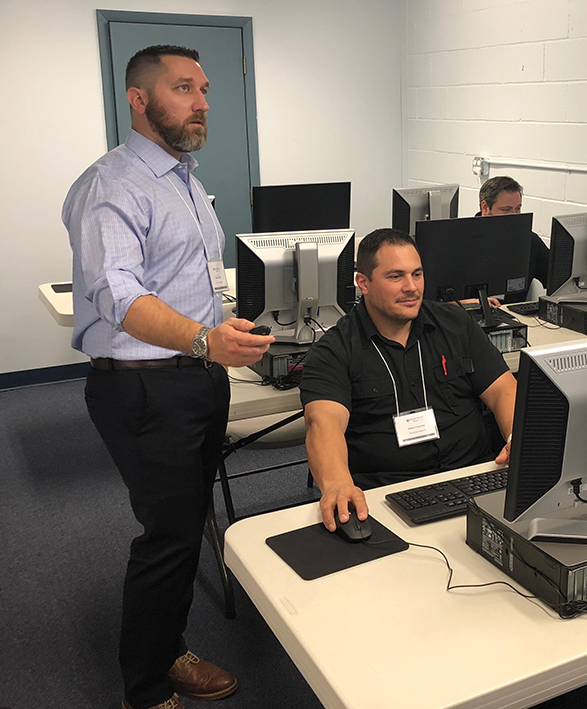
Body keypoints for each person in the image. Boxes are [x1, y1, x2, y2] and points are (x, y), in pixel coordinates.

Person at [62, 45, 274, 709]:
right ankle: (147, 687)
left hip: (194, 376)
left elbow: (191, 280)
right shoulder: (114, 185)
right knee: (169, 538)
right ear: (139, 99)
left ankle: (168, 646)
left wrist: (215, 335)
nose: (202, 101)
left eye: (204, 88)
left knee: (184, 527)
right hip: (145, 387)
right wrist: (204, 338)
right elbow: (118, 296)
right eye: (183, 88)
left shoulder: (183, 179)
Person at [299, 228, 518, 530]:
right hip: (388, 496)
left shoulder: (454, 324)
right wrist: (337, 483)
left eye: (417, 274)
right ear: (363, 282)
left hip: (475, 478)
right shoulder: (335, 350)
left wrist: (515, 437)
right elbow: (323, 422)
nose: (411, 287)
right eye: (396, 276)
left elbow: (503, 388)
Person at [477, 175, 549, 301]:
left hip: (512, 316)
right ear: (485, 208)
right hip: (467, 316)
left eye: (518, 209)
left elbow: (556, 279)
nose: (514, 216)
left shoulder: (529, 241)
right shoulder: (464, 241)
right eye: (506, 210)